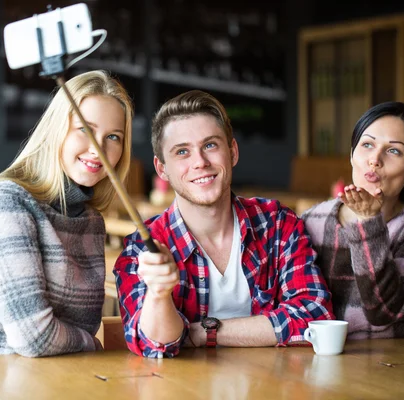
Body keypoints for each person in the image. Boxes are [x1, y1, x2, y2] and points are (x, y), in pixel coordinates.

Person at [0, 70, 133, 398]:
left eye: (114, 137)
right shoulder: (5, 200)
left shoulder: (91, 221)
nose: (99, 148)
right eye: (86, 129)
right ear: (57, 131)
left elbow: (72, 330)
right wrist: (92, 345)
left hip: (53, 385)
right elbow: (33, 337)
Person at [114, 90, 333, 358]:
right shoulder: (143, 247)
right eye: (182, 152)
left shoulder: (278, 224)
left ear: (232, 151)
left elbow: (314, 315)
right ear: (162, 169)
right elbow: (155, 345)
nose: (200, 162)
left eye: (210, 145)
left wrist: (203, 332)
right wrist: (159, 294)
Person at [301, 101, 404, 339]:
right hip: (338, 359)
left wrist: (368, 221)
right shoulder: (312, 220)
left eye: (393, 150)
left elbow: (385, 310)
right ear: (352, 154)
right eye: (367, 145)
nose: (374, 159)